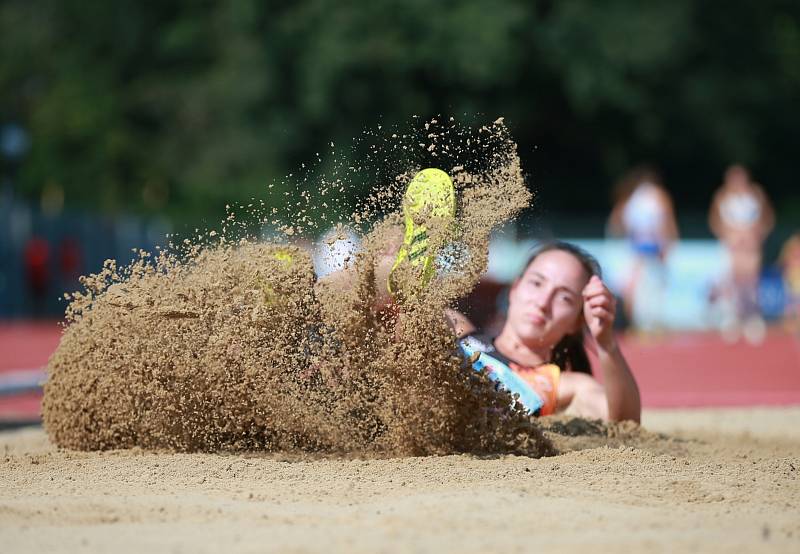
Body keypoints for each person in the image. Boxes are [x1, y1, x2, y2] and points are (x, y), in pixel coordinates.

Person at [458, 242, 641, 423]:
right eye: (537, 283)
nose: (543, 302)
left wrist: (606, 344)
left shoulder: (564, 386)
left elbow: (625, 425)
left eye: (564, 297)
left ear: (576, 322)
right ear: (514, 289)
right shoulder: (458, 331)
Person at [607, 167, 678, 332]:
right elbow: (667, 222)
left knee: (637, 288)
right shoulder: (658, 197)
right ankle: (648, 323)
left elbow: (617, 224)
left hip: (637, 250)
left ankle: (635, 324)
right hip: (651, 249)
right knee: (651, 288)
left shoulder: (631, 199)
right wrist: (669, 243)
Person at [708, 165, 774, 343]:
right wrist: (728, 236)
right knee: (732, 282)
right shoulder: (722, 197)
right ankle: (732, 319)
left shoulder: (756, 194)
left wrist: (757, 236)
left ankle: (752, 318)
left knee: (751, 282)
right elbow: (714, 221)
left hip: (750, 246)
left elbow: (767, 219)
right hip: (732, 245)